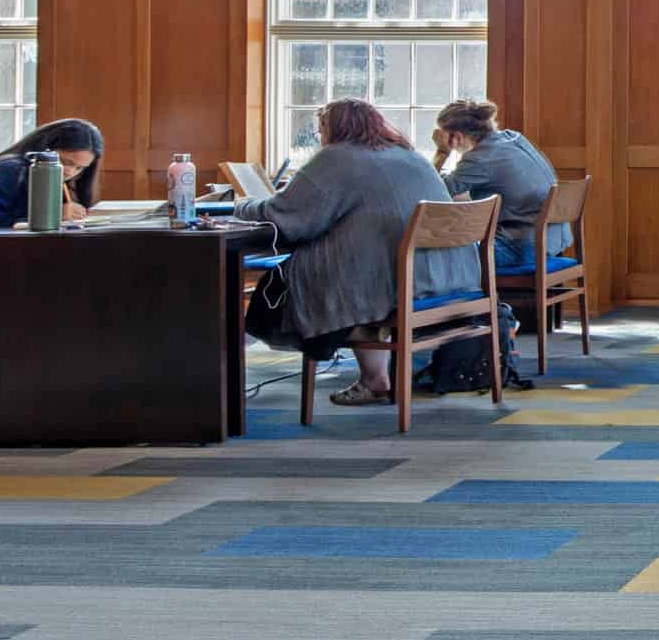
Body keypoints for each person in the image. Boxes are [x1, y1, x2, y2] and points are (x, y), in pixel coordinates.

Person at [234, 98, 481, 409]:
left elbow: (289, 217)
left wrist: (242, 204)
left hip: (398, 284)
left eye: (321, 128)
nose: (320, 136)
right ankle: (374, 379)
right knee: (356, 271)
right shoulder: (409, 155)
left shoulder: (336, 158)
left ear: (335, 128)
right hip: (453, 278)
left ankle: (372, 378)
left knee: (323, 280)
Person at [431, 98, 569, 272]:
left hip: (523, 249)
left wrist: (442, 151)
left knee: (438, 254)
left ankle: (476, 299)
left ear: (457, 137)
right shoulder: (513, 137)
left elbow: (433, 192)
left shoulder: (478, 159)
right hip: (555, 240)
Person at [0, 120, 104, 230]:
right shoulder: (6, 170)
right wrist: (51, 217)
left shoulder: (54, 179)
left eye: (79, 168)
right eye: (65, 162)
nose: (70, 172)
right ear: (46, 147)